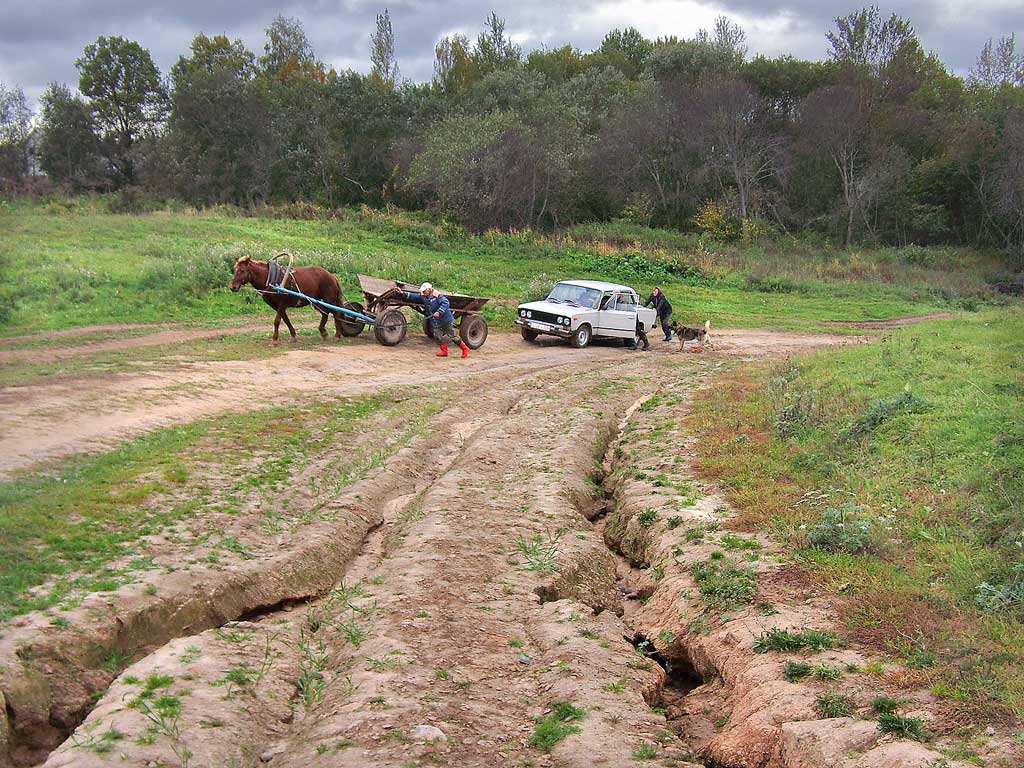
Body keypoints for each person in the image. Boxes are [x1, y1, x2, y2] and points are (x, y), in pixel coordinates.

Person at [401, 282, 469, 358]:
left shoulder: (437, 295)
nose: (423, 292)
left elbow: (445, 303)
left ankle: (465, 349)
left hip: (445, 320)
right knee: (437, 336)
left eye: (424, 290)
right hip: (435, 321)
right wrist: (403, 293)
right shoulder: (423, 296)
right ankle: (444, 351)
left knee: (452, 336)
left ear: (429, 289)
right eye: (422, 291)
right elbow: (414, 297)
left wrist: (439, 311)